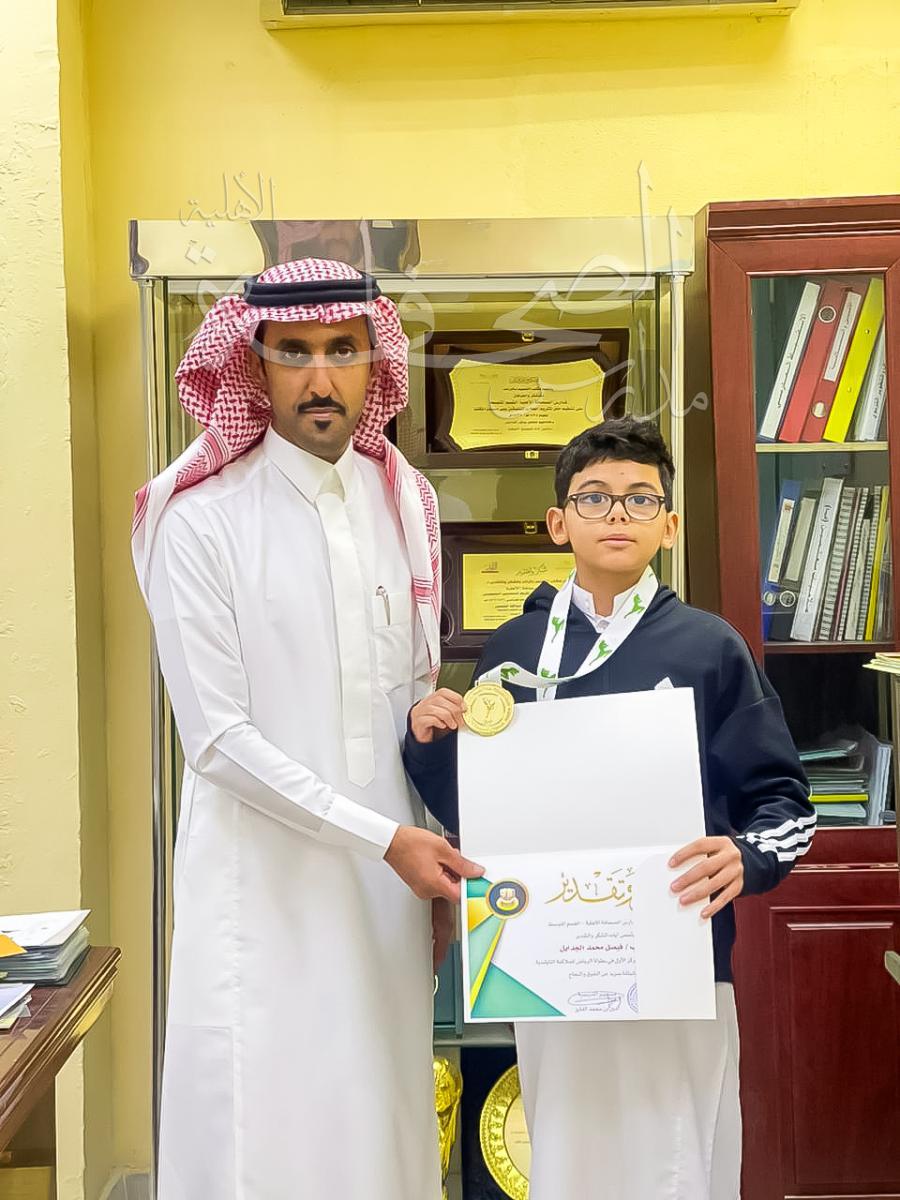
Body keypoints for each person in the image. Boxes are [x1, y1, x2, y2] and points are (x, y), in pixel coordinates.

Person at [131, 257, 480, 1200]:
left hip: (389, 886)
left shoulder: (404, 499)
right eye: (294, 352)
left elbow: (409, 703)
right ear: (254, 363)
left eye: (342, 350)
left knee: (381, 1120)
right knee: (266, 1130)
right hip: (264, 890)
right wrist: (387, 841)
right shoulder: (199, 522)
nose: (320, 378)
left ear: (376, 362)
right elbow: (217, 742)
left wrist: (428, 851)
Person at [403, 416, 815, 1200]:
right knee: (567, 1151)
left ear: (670, 523)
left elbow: (783, 802)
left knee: (677, 1156)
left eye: (639, 498)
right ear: (559, 523)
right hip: (549, 960)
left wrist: (747, 856)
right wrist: (429, 745)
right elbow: (480, 813)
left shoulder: (711, 647)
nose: (617, 514)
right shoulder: (514, 652)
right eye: (594, 497)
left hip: (680, 955)